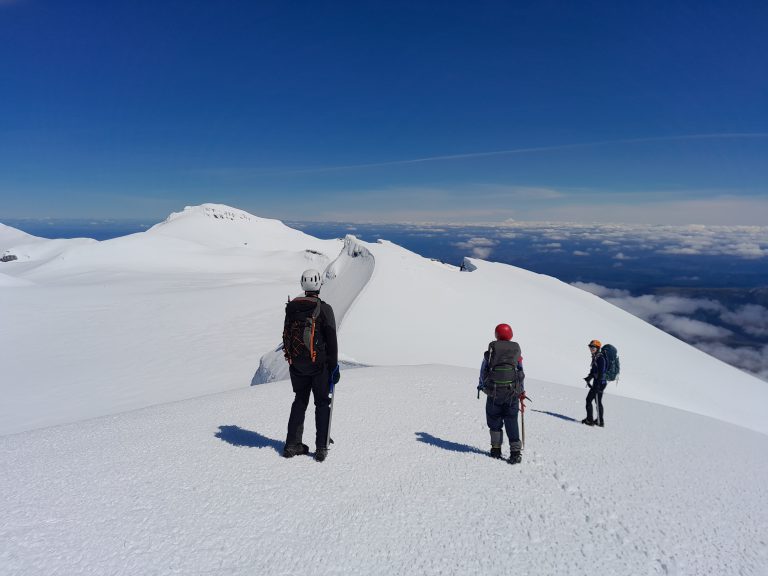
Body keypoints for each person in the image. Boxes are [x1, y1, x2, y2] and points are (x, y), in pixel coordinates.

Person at [282, 269, 340, 462]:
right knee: (322, 403)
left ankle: (292, 444)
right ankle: (321, 447)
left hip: (296, 364)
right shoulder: (324, 309)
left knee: (300, 400)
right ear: (319, 285)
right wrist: (333, 367)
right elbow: (331, 341)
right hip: (319, 365)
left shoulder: (291, 308)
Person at [477, 323, 526, 464]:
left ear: (496, 334)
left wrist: (482, 386)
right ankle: (515, 453)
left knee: (494, 420)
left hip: (493, 393)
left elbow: (483, 371)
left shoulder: (491, 352)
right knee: (511, 420)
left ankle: (496, 449)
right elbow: (521, 374)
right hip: (512, 394)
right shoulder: (516, 352)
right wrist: (521, 392)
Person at [582, 339, 606, 427]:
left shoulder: (600, 358)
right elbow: (594, 371)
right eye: (590, 347)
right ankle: (600, 421)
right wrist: (589, 377)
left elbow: (601, 373)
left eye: (593, 347)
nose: (591, 349)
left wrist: (597, 386)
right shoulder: (595, 356)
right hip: (599, 382)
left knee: (589, 400)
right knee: (597, 401)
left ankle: (590, 420)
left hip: (599, 383)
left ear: (598, 348)